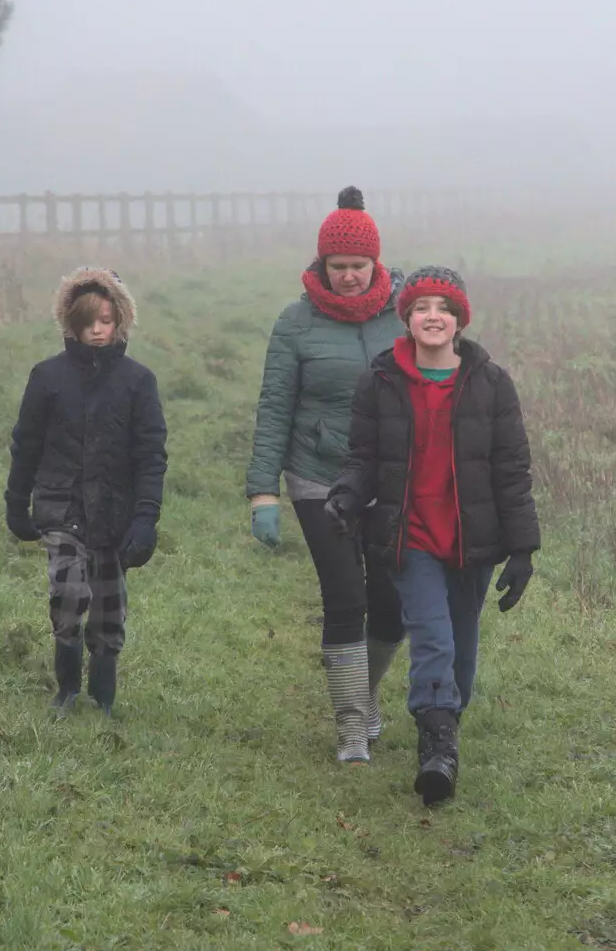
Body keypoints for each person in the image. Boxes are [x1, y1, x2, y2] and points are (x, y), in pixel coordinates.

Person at [326, 265, 540, 805]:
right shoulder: (380, 381)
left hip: (473, 544)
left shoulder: (491, 384)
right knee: (432, 639)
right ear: (407, 317)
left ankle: (447, 717)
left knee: (461, 653)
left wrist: (522, 549)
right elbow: (365, 457)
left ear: (460, 319)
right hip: (409, 537)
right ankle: (437, 752)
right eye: (422, 307)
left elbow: (511, 470)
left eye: (444, 308)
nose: (433, 317)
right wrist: (347, 497)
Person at [246, 186, 407, 764]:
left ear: (375, 263)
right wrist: (263, 491)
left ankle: (365, 695)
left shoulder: (405, 317)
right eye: (337, 267)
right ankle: (350, 727)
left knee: (392, 605)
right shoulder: (295, 325)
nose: (347, 278)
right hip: (319, 476)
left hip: (390, 481)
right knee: (346, 598)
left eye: (357, 267)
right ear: (321, 265)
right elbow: (274, 407)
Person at [5, 267, 168, 718]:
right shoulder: (47, 378)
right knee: (68, 596)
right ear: (71, 324)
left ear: (120, 321)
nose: (97, 331)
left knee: (109, 610)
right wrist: (16, 503)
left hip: (116, 516)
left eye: (105, 321)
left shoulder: (138, 382)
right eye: (87, 322)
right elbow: (27, 445)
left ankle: (103, 697)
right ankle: (66, 691)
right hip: (61, 509)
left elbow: (151, 454)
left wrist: (145, 519)